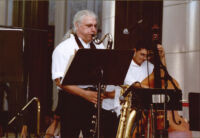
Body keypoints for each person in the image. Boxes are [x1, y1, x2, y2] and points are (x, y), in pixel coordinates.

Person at [51, 9, 118, 138]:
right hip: (71, 100)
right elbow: (59, 81)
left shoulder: (99, 47)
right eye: (89, 26)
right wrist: (85, 94)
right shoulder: (64, 48)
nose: (93, 30)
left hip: (93, 99)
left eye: (95, 26)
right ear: (77, 26)